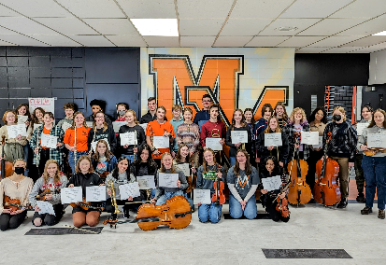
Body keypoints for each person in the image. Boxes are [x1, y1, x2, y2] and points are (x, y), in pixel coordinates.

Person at [323, 106, 357, 208]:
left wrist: (351, 159)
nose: (336, 115)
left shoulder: (348, 127)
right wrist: (325, 154)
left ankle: (344, 198)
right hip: (332, 155)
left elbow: (353, 144)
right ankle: (333, 197)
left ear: (343, 114)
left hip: (344, 157)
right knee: (332, 178)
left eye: (339, 113)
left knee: (344, 179)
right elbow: (325, 141)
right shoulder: (329, 126)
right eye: (335, 113)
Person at [358, 108, 386, 219]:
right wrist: (362, 146)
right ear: (373, 118)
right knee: (369, 183)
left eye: (380, 116)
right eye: (376, 117)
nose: (378, 118)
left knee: (382, 184)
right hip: (368, 159)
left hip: (382, 159)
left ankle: (381, 208)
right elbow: (359, 143)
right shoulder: (367, 130)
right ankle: (368, 206)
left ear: (384, 117)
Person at [67, 155, 104, 228]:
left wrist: (102, 187)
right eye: (82, 164)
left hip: (92, 205)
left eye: (86, 164)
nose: (84, 166)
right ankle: (83, 216)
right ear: (79, 165)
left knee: (91, 222)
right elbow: (68, 189)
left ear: (90, 165)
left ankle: (95, 215)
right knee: (77, 223)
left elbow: (101, 189)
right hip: (79, 205)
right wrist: (69, 186)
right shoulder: (74, 176)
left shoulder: (95, 176)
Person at [29, 159, 68, 227]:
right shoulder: (41, 180)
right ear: (46, 169)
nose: (52, 170)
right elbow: (32, 195)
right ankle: (44, 214)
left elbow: (64, 195)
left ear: (57, 168)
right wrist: (35, 205)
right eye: (49, 168)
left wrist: (53, 197)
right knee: (37, 222)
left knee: (48, 221)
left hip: (56, 204)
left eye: (54, 168)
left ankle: (60, 212)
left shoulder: (63, 178)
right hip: (43, 204)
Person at [0, 159, 34, 231]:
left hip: (20, 209)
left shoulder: (29, 181)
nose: (19, 167)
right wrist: (2, 210)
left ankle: (23, 216)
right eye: (17, 165)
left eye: (22, 166)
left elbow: (29, 197)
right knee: (3, 226)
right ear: (13, 167)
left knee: (13, 224)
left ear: (25, 169)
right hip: (7, 208)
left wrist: (22, 209)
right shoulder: (4, 181)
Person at [29, 112, 65, 178]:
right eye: (46, 117)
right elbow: (32, 141)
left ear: (53, 119)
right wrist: (35, 148)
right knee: (42, 172)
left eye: (50, 118)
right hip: (41, 153)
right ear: (43, 118)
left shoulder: (58, 129)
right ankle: (44, 187)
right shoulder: (38, 129)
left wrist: (61, 144)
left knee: (54, 172)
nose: (48, 119)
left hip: (54, 153)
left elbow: (65, 142)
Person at [227, 150, 259, 219]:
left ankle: (246, 207)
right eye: (238, 156)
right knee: (236, 215)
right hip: (235, 196)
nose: (240, 158)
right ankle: (237, 206)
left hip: (248, 196)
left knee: (251, 215)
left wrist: (245, 200)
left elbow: (254, 186)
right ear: (236, 158)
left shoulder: (253, 170)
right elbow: (231, 187)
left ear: (246, 157)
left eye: (242, 156)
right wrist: (240, 201)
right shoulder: (231, 170)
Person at [196, 148, 226, 223]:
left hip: (216, 195)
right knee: (203, 219)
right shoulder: (201, 169)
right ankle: (207, 208)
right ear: (204, 158)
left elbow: (223, 183)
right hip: (204, 195)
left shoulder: (220, 168)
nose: (208, 158)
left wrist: (221, 177)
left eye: (210, 155)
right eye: (206, 156)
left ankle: (214, 208)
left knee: (214, 219)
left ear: (213, 155)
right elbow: (198, 184)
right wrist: (198, 198)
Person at [260, 156, 290, 222]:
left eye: (271, 164)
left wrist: (284, 193)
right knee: (276, 218)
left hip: (279, 197)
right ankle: (269, 208)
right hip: (269, 198)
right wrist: (261, 191)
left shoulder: (280, 172)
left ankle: (283, 208)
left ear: (275, 165)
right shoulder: (262, 173)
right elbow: (260, 187)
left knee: (285, 219)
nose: (269, 166)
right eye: (267, 164)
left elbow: (286, 185)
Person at [307, 107, 328, 194]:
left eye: (321, 114)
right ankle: (310, 191)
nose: (319, 115)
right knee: (310, 172)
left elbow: (327, 138)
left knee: (322, 172)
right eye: (317, 113)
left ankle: (321, 192)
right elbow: (305, 138)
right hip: (311, 151)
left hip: (321, 152)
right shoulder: (308, 124)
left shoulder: (326, 125)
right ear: (314, 113)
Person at [355, 105, 373, 203]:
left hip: (372, 153)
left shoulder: (376, 124)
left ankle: (370, 194)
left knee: (370, 175)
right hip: (360, 153)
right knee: (359, 174)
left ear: (371, 112)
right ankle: (360, 193)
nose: (365, 113)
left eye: (367, 111)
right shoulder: (358, 125)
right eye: (363, 111)